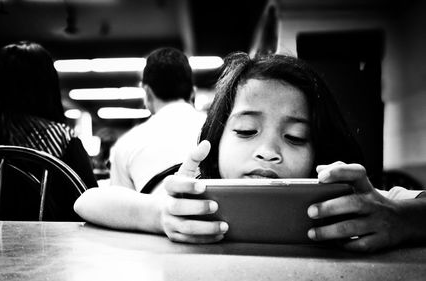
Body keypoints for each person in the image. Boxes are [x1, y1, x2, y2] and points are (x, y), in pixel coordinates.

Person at [74, 53, 426, 252]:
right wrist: (160, 213)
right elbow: (88, 201)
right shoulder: (201, 198)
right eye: (246, 131)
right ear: (217, 138)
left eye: (295, 136)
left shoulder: (350, 207)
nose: (268, 152)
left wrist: (401, 217)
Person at [0, 41, 97, 220]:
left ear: (0, 83)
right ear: (49, 84)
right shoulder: (63, 137)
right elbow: (90, 201)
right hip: (49, 243)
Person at [108, 47, 205, 193]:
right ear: (193, 92)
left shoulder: (125, 146)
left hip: (153, 215)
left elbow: (118, 208)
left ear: (147, 92)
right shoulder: (221, 132)